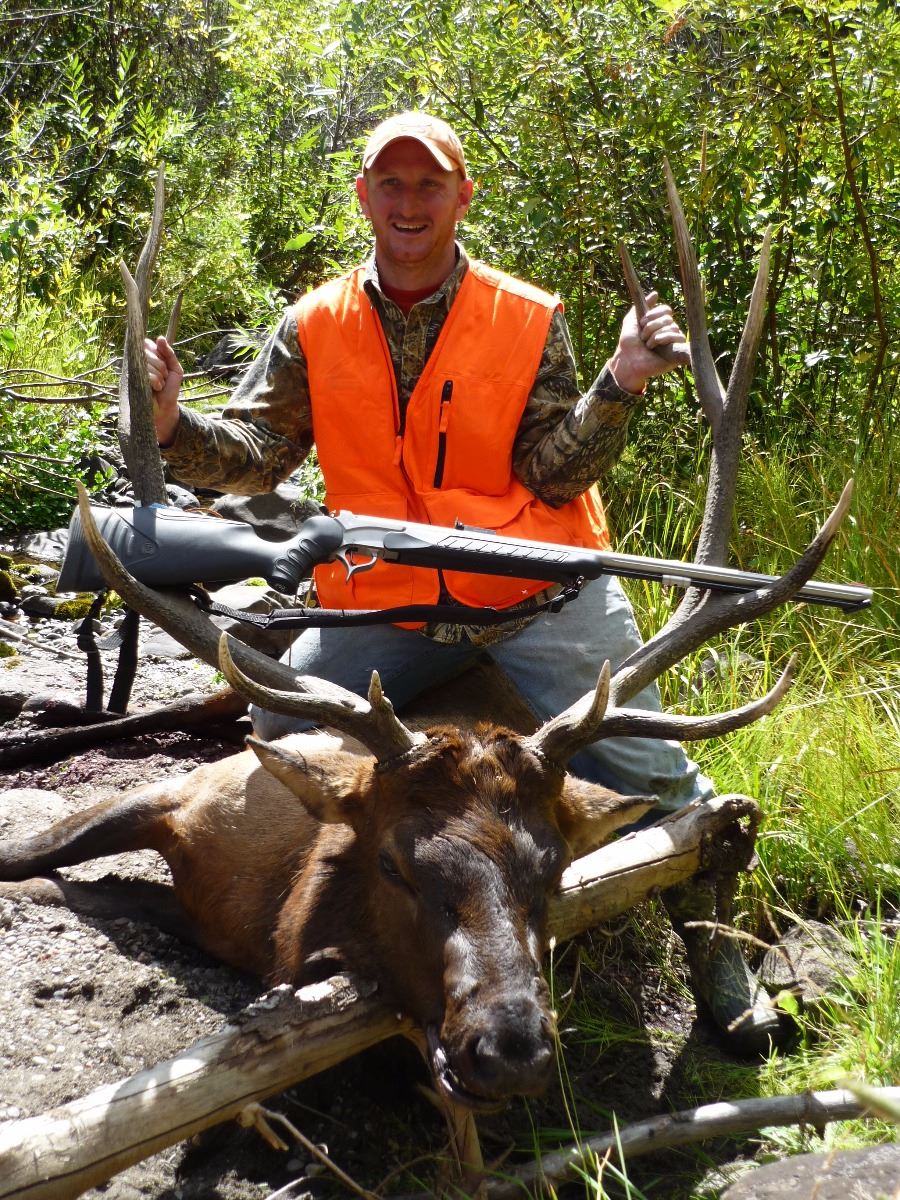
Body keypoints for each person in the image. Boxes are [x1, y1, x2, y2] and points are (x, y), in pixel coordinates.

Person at [146, 111, 783, 1054]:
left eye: (428, 185)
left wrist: (619, 381)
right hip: (389, 600)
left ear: (461, 197)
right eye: (390, 185)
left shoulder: (527, 316)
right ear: (363, 196)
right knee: (280, 730)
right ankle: (396, 926)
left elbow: (556, 471)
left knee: (651, 773)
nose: (408, 204)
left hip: (539, 598)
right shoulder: (315, 322)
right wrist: (169, 424)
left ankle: (716, 947)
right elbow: (254, 459)